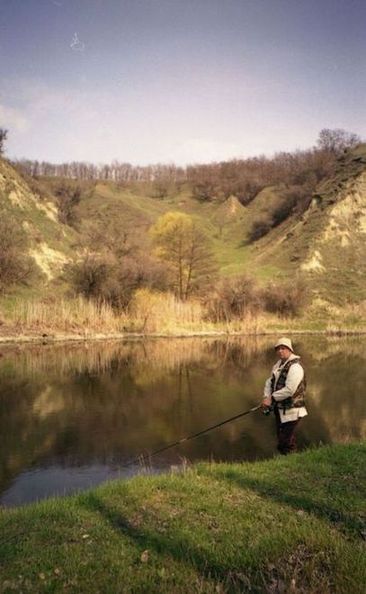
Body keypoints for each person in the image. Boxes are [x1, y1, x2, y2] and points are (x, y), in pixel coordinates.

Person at [262, 337, 307, 455]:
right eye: (278, 349)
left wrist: (271, 398)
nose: (280, 351)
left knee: (285, 441)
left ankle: (289, 461)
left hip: (293, 410)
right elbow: (269, 382)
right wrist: (266, 397)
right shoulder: (277, 365)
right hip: (280, 409)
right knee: (284, 438)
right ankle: (290, 460)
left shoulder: (295, 367)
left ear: (290, 350)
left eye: (283, 348)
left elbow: (289, 390)